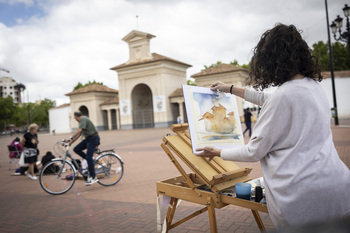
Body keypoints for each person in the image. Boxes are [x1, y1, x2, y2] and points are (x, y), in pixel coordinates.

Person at [195, 24, 350, 228]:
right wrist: (230, 89)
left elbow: (254, 151)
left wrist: (218, 151)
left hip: (303, 196)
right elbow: (268, 98)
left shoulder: (284, 96)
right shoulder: (312, 86)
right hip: (336, 184)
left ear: (272, 60)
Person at [65, 111, 100, 186]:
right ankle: (89, 160)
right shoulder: (82, 122)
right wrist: (71, 142)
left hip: (93, 139)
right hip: (88, 139)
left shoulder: (83, 119)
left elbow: (79, 130)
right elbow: (79, 134)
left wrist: (70, 137)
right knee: (76, 149)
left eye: (74, 118)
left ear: (76, 117)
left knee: (89, 157)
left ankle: (93, 177)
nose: (75, 119)